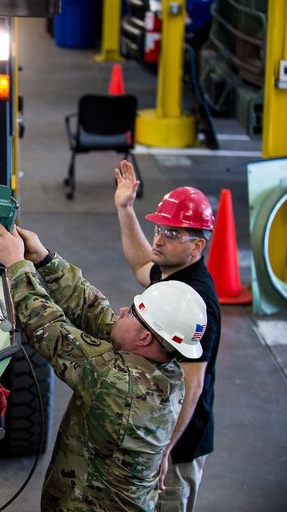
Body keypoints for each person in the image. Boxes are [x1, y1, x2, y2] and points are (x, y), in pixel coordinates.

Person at [0, 223, 208, 510]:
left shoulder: (117, 384)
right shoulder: (167, 371)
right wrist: (43, 258)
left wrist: (17, 265)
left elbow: (49, 329)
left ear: (144, 337)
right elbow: (96, 311)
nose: (122, 311)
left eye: (132, 314)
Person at [115, 159, 221, 512]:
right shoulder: (173, 273)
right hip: (158, 434)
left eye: (171, 234)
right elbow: (141, 266)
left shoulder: (197, 301)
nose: (158, 239)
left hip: (178, 448)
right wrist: (125, 208)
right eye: (160, 228)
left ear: (197, 247)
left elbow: (193, 385)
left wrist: (166, 449)